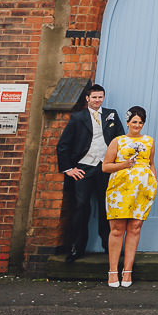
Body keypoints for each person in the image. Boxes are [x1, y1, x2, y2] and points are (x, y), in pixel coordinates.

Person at [55, 83, 124, 261]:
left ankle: (109, 247)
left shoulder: (111, 115)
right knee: (81, 207)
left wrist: (118, 163)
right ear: (87, 99)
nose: (97, 100)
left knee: (106, 208)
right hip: (83, 169)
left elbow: (121, 140)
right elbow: (63, 145)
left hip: (105, 167)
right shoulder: (78, 118)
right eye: (94, 97)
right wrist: (69, 169)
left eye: (100, 97)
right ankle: (78, 248)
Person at [101, 106, 158, 288]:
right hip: (120, 189)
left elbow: (151, 163)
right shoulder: (118, 141)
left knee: (135, 228)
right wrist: (124, 165)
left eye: (141, 122)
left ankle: (127, 271)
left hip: (142, 191)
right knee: (117, 229)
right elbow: (105, 166)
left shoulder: (149, 141)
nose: (137, 125)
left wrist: (154, 182)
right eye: (134, 122)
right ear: (127, 122)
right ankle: (112, 272)